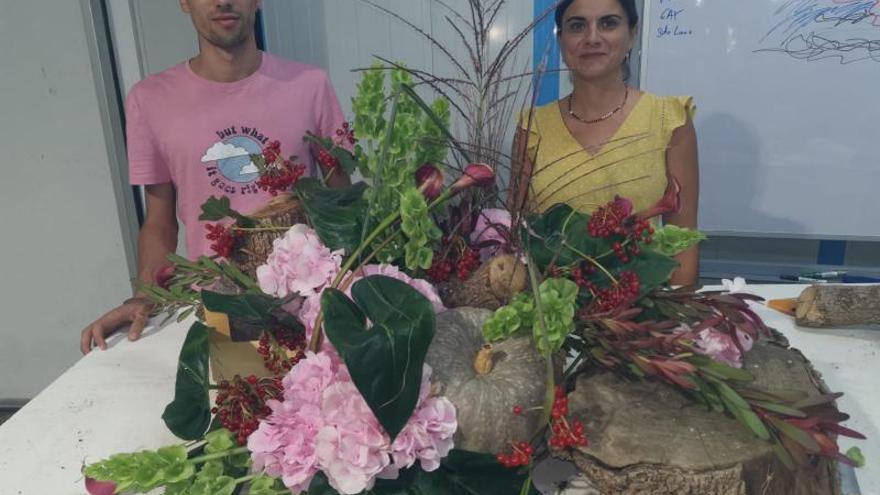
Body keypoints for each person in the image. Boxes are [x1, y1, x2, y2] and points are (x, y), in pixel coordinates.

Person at [80, 0, 349, 353]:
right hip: (214, 309)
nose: (223, 1)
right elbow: (159, 222)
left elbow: (342, 204)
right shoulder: (150, 100)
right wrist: (143, 298)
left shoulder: (309, 85)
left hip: (307, 308)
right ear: (184, 3)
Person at [511, 0, 699, 285]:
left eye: (608, 23)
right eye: (577, 26)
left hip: (644, 308)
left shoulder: (669, 120)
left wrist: (674, 318)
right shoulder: (532, 127)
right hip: (552, 310)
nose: (592, 38)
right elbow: (515, 237)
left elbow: (683, 241)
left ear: (632, 35)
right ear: (561, 41)